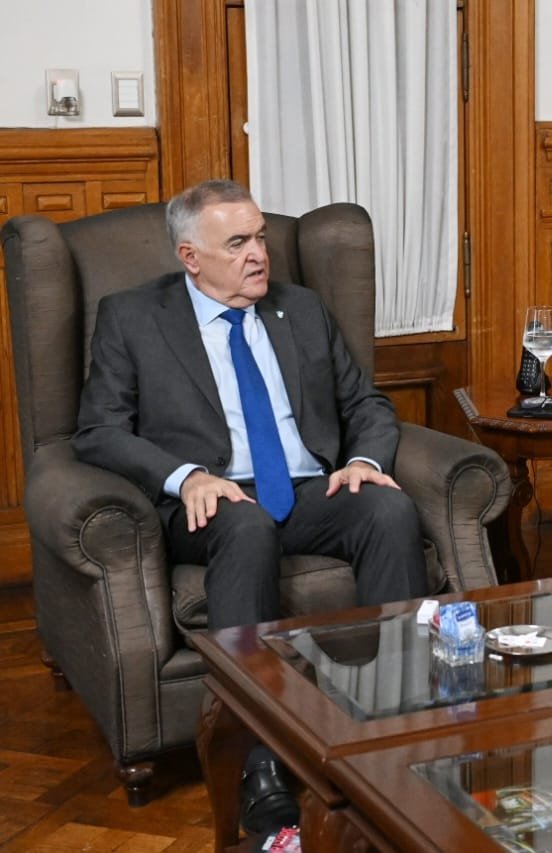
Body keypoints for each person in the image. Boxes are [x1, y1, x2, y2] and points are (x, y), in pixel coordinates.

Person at [73, 179, 428, 836]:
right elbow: (98, 430)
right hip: (212, 500)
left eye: (260, 237)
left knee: (387, 509)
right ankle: (256, 760)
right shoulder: (134, 316)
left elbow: (366, 404)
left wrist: (365, 462)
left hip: (306, 487)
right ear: (190, 256)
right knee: (245, 523)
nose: (259, 254)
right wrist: (185, 477)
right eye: (237, 243)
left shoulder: (303, 309)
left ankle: (391, 728)